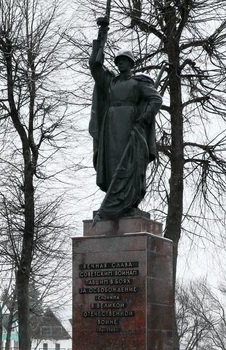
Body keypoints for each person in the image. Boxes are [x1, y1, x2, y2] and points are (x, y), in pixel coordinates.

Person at [88, 17, 162, 220]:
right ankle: (112, 202)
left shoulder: (139, 82)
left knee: (131, 164)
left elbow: (156, 99)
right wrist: (102, 34)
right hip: (111, 127)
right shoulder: (110, 82)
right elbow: (95, 66)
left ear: (130, 63)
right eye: (118, 60)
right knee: (112, 164)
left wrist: (144, 118)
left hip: (131, 127)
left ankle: (129, 203)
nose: (121, 63)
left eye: (124, 60)